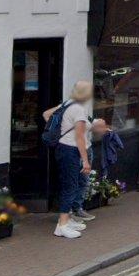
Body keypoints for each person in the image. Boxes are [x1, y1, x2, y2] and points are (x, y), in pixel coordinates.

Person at [43, 81, 94, 239]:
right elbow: (79, 138)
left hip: (65, 149)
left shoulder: (66, 104)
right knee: (70, 187)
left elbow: (46, 114)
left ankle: (66, 220)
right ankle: (62, 226)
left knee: (72, 184)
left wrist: (60, 130)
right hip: (71, 151)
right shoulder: (78, 110)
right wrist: (85, 161)